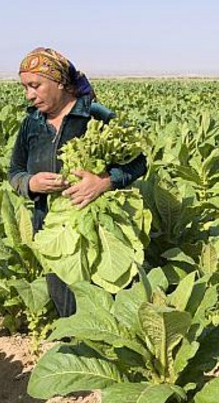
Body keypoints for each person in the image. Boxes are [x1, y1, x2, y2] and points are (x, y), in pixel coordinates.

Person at [8, 47, 147, 317]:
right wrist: (31, 183)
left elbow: (139, 162)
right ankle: (75, 348)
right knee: (65, 300)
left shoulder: (95, 115)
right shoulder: (31, 123)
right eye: (25, 87)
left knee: (106, 298)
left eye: (35, 85)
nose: (29, 95)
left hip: (99, 226)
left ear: (59, 82)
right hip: (51, 225)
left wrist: (104, 182)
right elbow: (14, 171)